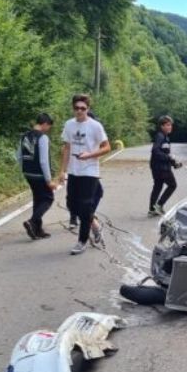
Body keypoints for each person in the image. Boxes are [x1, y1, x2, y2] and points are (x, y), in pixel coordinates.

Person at [59, 94, 110, 255]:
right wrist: (62, 170)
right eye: (77, 108)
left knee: (85, 205)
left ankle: (82, 241)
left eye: (83, 108)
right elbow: (67, 148)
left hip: (90, 171)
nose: (79, 111)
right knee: (72, 205)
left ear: (88, 109)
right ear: (73, 108)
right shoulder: (69, 125)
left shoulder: (95, 126)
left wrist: (90, 155)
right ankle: (95, 225)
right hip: (74, 171)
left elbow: (106, 147)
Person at [19, 113, 57, 240]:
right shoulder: (42, 138)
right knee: (48, 198)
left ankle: (37, 229)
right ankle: (32, 221)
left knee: (38, 199)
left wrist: (23, 170)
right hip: (39, 174)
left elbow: (19, 156)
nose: (48, 129)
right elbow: (43, 161)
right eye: (49, 127)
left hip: (28, 172)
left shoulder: (24, 136)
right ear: (45, 124)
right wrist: (49, 180)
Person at [148, 115, 182, 216]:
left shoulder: (165, 137)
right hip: (161, 168)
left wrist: (173, 162)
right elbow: (155, 151)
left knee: (158, 186)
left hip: (157, 166)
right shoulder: (160, 136)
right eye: (167, 125)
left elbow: (164, 153)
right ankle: (159, 205)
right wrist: (170, 158)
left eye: (171, 125)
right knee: (172, 185)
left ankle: (152, 209)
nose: (170, 127)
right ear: (162, 126)